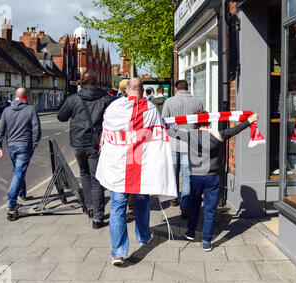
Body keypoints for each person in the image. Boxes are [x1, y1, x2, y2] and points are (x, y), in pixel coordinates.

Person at [96, 78, 177, 266]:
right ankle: (144, 235)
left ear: (126, 91)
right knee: (141, 202)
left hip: (118, 167)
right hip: (141, 165)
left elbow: (106, 133)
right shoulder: (150, 109)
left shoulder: (113, 109)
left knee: (117, 207)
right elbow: (159, 132)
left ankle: (118, 252)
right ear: (141, 91)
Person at [170, 110, 259, 252]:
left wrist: (160, 123)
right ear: (209, 121)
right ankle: (206, 240)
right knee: (210, 209)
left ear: (195, 122)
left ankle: (191, 232)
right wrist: (249, 121)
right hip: (212, 176)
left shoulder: (188, 135)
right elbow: (235, 130)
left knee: (194, 204)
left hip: (196, 176)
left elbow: (171, 132)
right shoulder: (218, 135)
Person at [57, 72, 114, 229]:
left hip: (79, 143)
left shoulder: (74, 99)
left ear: (81, 82)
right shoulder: (106, 98)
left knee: (84, 174)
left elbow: (61, 117)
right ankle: (98, 217)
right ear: (95, 82)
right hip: (96, 143)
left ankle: (90, 208)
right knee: (97, 179)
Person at [0, 88, 41, 217]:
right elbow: (36, 128)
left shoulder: (6, 110)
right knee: (18, 173)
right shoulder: (30, 109)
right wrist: (35, 144)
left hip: (11, 146)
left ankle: (22, 194)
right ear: (26, 97)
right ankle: (11, 202)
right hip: (25, 145)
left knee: (18, 170)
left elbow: (0, 130)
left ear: (15, 96)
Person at [162, 80, 204, 218]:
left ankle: (174, 198)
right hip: (190, 141)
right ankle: (185, 207)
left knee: (173, 172)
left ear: (176, 89)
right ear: (187, 88)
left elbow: (163, 122)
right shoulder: (197, 102)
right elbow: (201, 122)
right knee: (187, 176)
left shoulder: (169, 102)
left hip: (173, 141)